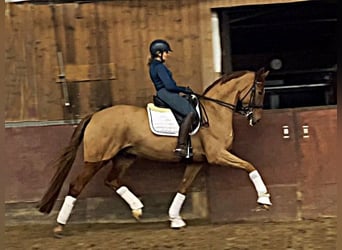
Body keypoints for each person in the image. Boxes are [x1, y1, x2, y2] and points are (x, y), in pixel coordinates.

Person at [148, 39, 196, 157]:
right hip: (166, 93)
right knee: (190, 112)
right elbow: (170, 86)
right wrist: (184, 89)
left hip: (163, 93)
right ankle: (181, 146)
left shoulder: (154, 66)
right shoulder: (159, 67)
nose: (167, 55)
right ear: (159, 53)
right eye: (166, 52)